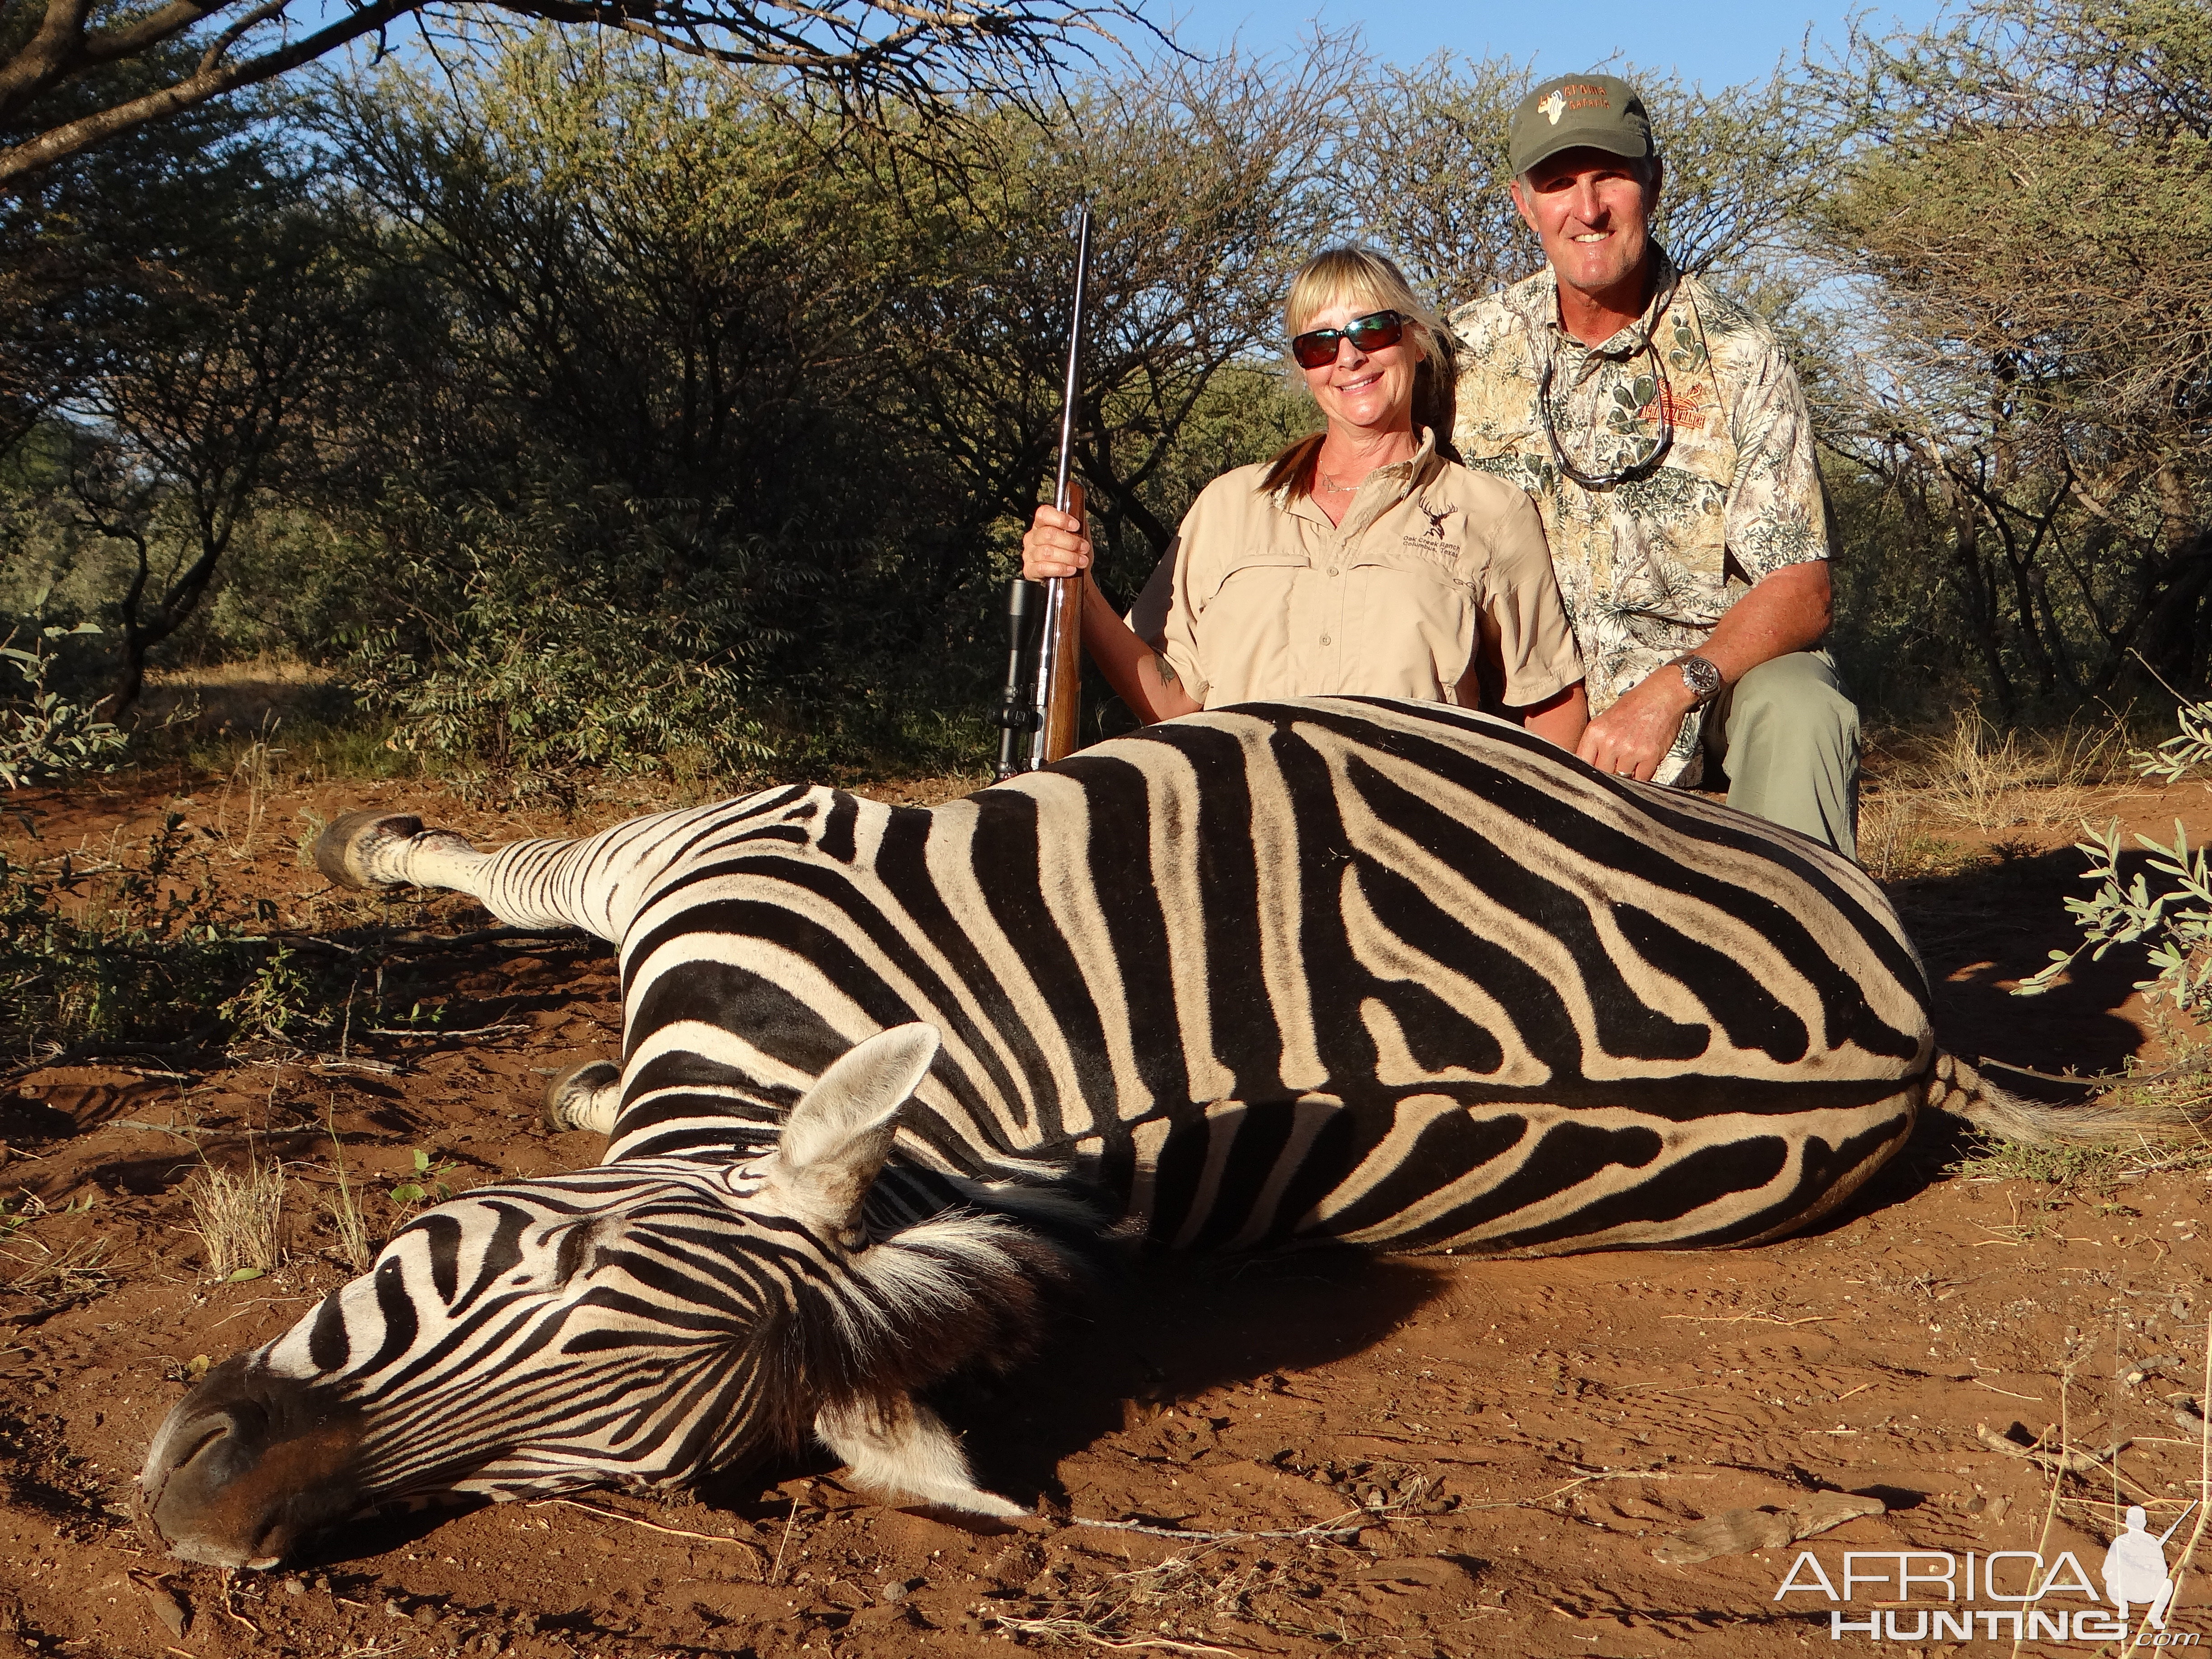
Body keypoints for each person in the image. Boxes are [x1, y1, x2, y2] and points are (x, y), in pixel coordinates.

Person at [1451, 73, 1861, 856]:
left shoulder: (1741, 351)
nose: (1588, 207)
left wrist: (1672, 691)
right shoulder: (1466, 352)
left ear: (1654, 182)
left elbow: (1800, 588)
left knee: (1803, 704)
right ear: (1522, 203)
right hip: (1519, 711)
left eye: (1610, 174)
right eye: (1558, 183)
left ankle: (1799, 954)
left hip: (1698, 705)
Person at [1022, 247, 1588, 750]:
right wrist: (1079, 587)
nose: (1348, 358)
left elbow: (1552, 706)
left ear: (1415, 341)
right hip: (1237, 846)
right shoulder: (1229, 505)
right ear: (1304, 367)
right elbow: (1171, 704)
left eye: (1372, 331)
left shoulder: (1493, 513)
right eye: (1320, 344)